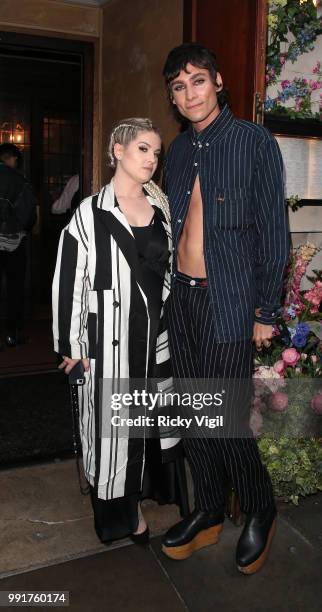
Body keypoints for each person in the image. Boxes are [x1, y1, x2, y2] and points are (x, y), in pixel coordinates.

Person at [161, 43, 290, 573]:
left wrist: (266, 312)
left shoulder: (254, 142)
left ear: (217, 83)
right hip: (181, 302)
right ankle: (210, 508)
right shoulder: (176, 150)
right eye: (177, 86)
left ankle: (260, 507)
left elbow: (273, 235)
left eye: (196, 81)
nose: (188, 93)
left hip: (229, 303)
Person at [52, 118, 188, 544]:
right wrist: (73, 347)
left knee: (150, 424)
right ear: (117, 150)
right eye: (143, 149)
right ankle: (122, 516)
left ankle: (148, 495)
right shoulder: (89, 213)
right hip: (110, 340)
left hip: (156, 336)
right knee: (115, 432)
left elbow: (169, 270)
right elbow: (68, 282)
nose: (151, 159)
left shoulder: (160, 205)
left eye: (156, 152)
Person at [0, 143, 37, 347]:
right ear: (12, 158)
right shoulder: (19, 180)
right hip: (13, 243)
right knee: (15, 290)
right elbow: (29, 215)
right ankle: (11, 334)